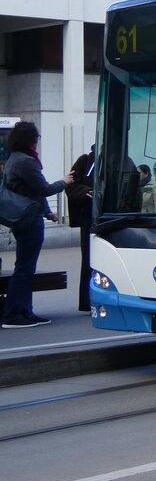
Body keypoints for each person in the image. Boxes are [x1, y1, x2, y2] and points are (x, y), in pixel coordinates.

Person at [2, 121, 72, 328]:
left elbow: (30, 190)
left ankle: (25, 311)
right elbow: (44, 189)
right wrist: (64, 182)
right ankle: (14, 313)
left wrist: (48, 212)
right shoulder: (25, 161)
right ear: (31, 139)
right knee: (24, 268)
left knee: (26, 266)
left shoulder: (15, 159)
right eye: (36, 138)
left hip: (25, 217)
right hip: (28, 219)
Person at [66, 144, 95, 312]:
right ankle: (87, 301)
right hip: (89, 217)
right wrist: (86, 191)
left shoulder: (121, 159)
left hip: (110, 216)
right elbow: (70, 185)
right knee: (89, 258)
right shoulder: (86, 160)